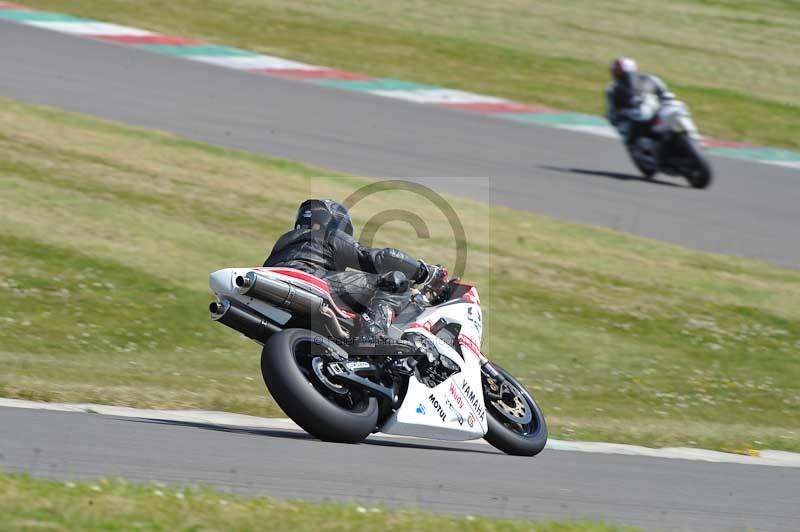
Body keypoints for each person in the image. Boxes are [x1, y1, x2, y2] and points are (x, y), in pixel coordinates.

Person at [263, 199, 447, 348]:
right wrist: (425, 273)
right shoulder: (326, 236)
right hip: (311, 281)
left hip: (274, 292)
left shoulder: (283, 243)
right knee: (394, 281)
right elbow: (381, 258)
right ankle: (373, 335)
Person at [605, 57, 673, 148]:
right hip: (635, 119)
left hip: (654, 111)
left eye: (619, 71)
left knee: (676, 109)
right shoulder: (613, 90)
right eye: (618, 72)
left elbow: (666, 93)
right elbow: (612, 112)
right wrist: (620, 114)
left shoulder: (649, 79)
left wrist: (665, 101)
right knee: (628, 140)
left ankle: (693, 136)